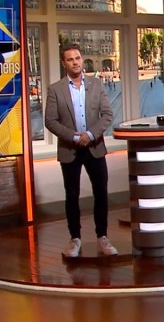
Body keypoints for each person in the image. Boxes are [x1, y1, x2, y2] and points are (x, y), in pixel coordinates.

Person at [44, 44, 118, 257]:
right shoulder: (55, 89)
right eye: (70, 59)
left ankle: (102, 237)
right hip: (70, 149)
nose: (75, 62)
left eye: (77, 58)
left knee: (101, 192)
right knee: (72, 195)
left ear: (82, 60)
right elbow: (50, 121)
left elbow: (107, 114)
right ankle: (75, 239)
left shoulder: (96, 84)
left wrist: (91, 135)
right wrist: (76, 137)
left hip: (95, 147)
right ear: (64, 63)